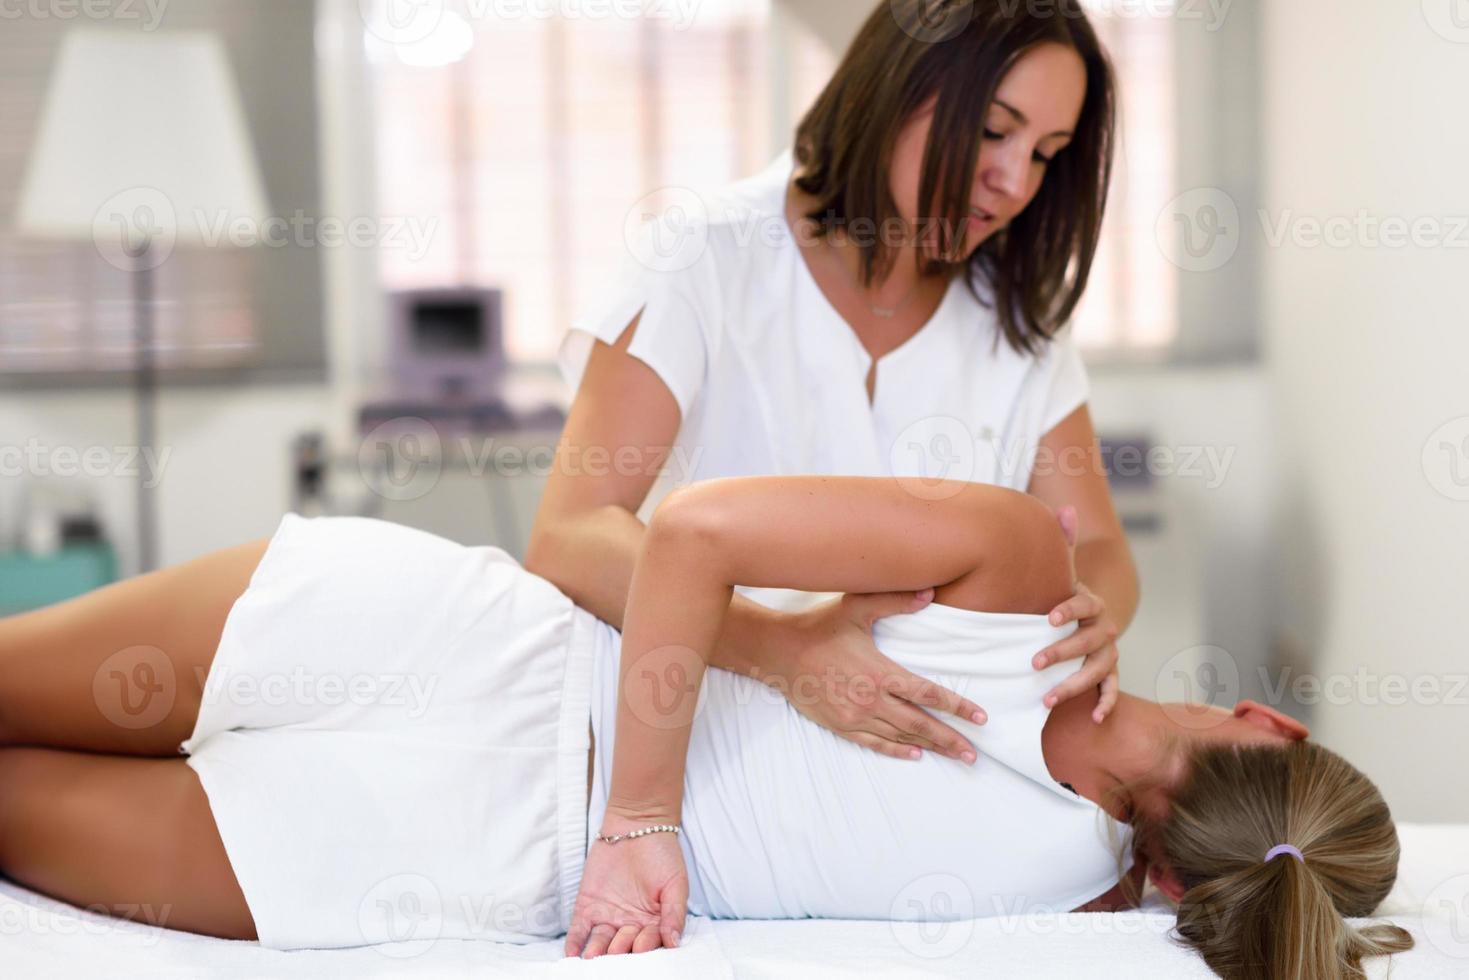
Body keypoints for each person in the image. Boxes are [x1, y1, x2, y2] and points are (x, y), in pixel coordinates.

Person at [0, 477, 1410, 980]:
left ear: (1267, 719)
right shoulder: (1078, 893)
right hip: (450, 850)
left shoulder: (1012, 569)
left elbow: (694, 531)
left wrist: (642, 819)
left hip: (447, 648)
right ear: (1195, 893)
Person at [528, 0, 1136, 767]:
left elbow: (1102, 546)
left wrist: (1092, 617)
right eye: (990, 130)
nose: (1013, 181)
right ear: (894, 86)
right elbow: (570, 537)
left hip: (924, 757)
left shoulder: (1019, 323)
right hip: (708, 738)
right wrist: (782, 650)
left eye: (1047, 153)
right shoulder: (704, 257)